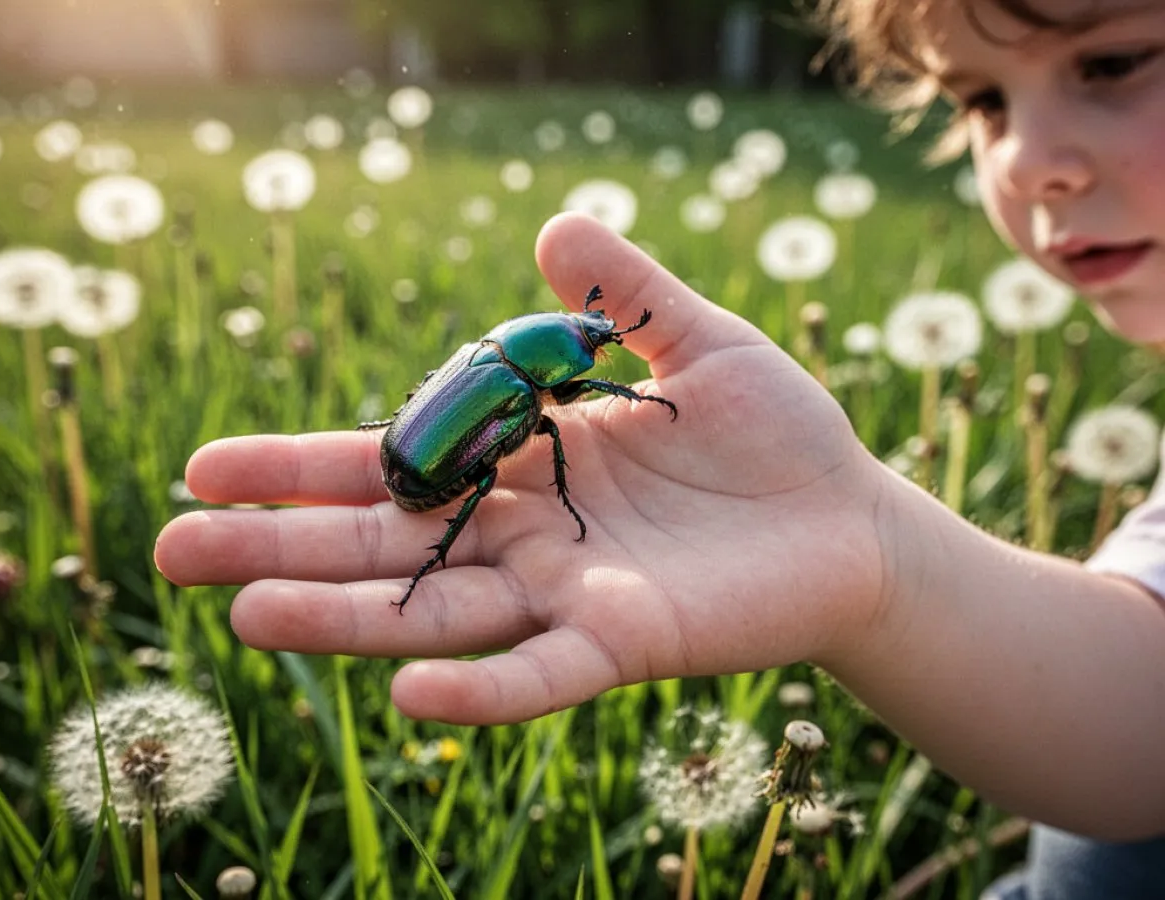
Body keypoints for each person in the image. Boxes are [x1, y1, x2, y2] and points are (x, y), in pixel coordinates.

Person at [154, 0, 1165, 895]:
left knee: (526, 441)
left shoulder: (512, 366)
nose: (1029, 159)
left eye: (1115, 62)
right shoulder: (531, 382)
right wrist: (878, 562)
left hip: (429, 440)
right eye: (981, 101)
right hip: (428, 459)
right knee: (529, 442)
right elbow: (1132, 723)